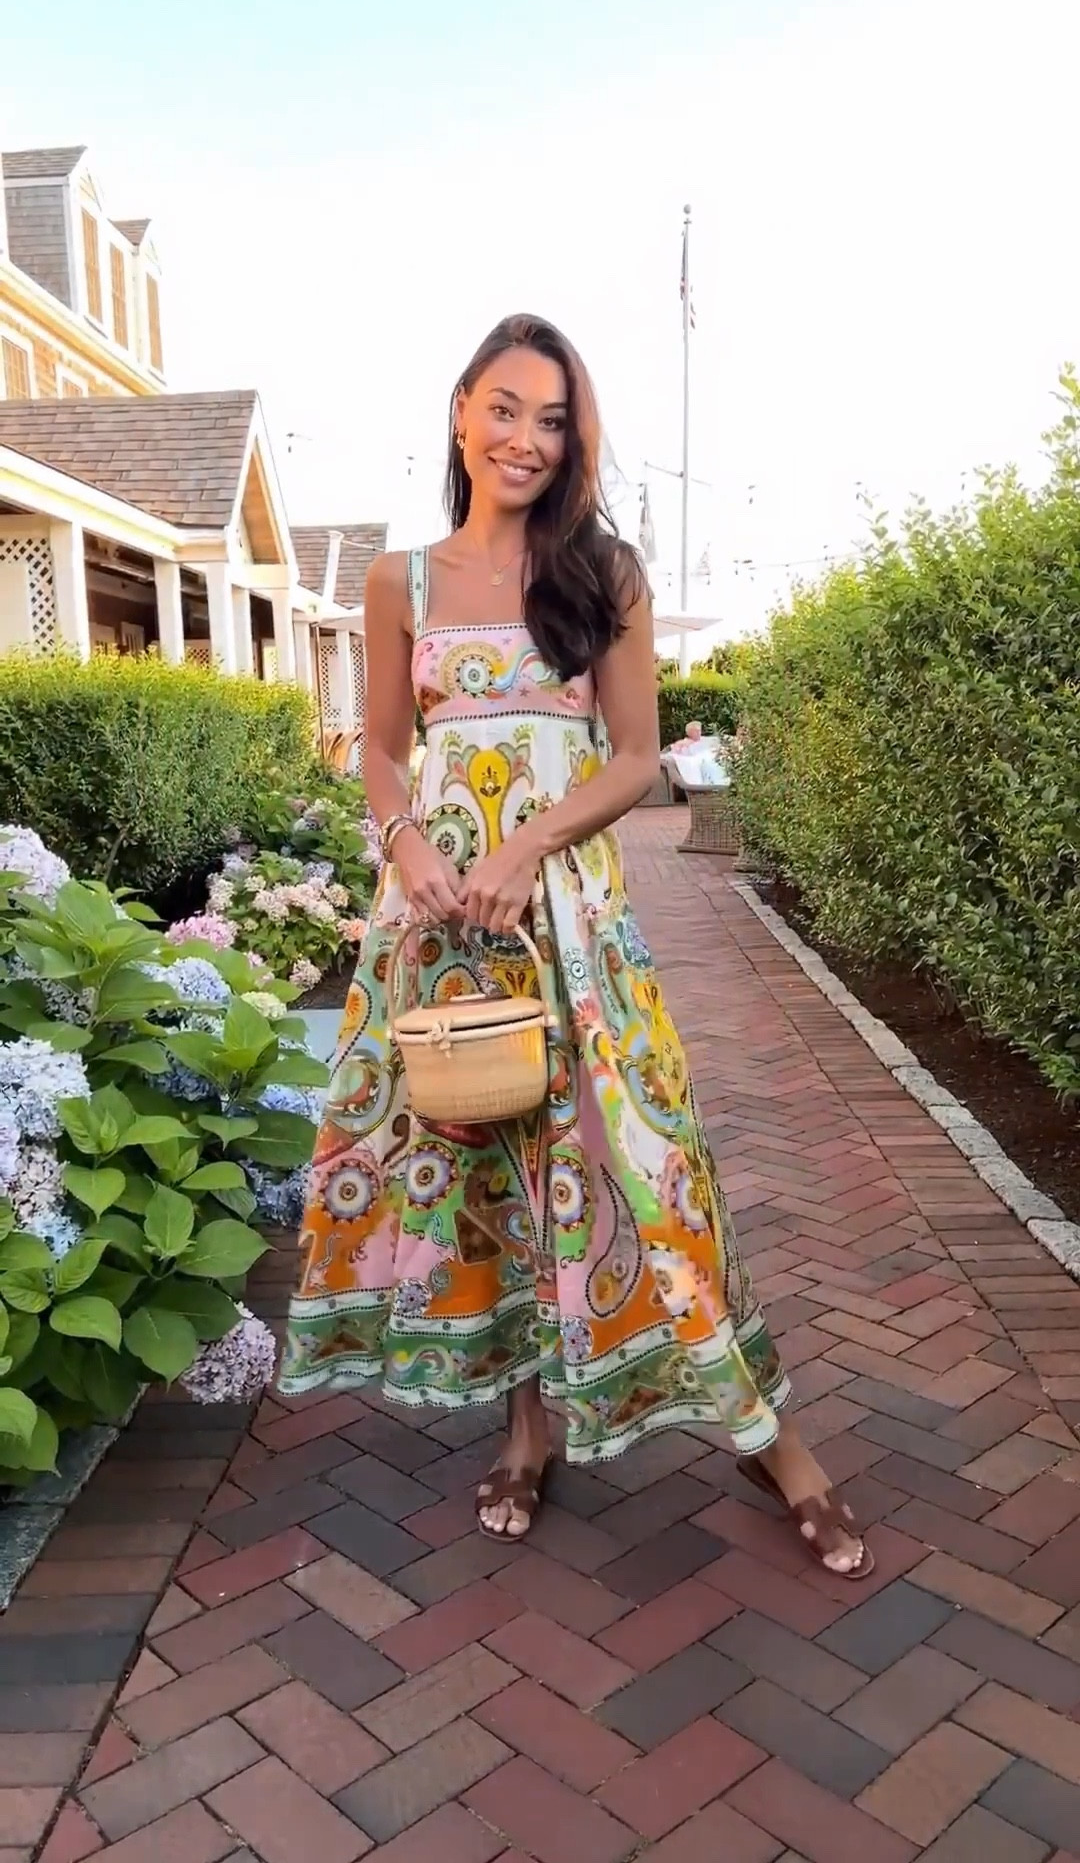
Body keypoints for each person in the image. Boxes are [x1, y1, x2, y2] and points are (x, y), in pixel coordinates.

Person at [280, 314, 870, 1575]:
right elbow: (382, 752)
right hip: (439, 934)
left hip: (570, 928)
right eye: (505, 409)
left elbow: (642, 759)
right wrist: (409, 847)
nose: (527, 440)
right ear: (459, 413)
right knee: (493, 1175)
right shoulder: (402, 582)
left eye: (553, 420)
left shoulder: (605, 571)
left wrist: (522, 845)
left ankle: (770, 1437)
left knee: (647, 1166)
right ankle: (527, 1427)